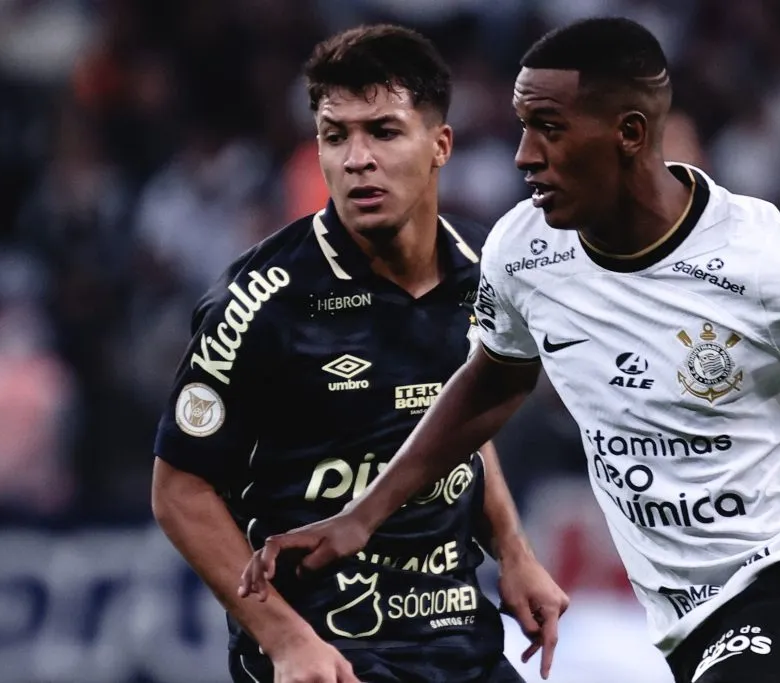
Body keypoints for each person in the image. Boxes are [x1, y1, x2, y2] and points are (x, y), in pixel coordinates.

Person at [241, 17, 780, 683]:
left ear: (629, 135)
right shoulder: (526, 250)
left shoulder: (762, 258)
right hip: (697, 626)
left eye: (549, 128)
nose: (524, 154)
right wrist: (363, 516)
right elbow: (493, 381)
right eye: (523, 126)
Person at [151, 24, 567, 683]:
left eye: (383, 131)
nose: (355, 159)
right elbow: (180, 489)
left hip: (461, 642)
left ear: (440, 145)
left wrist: (513, 549)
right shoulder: (262, 302)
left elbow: (457, 415)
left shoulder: (486, 274)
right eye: (334, 134)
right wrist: (286, 639)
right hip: (333, 657)